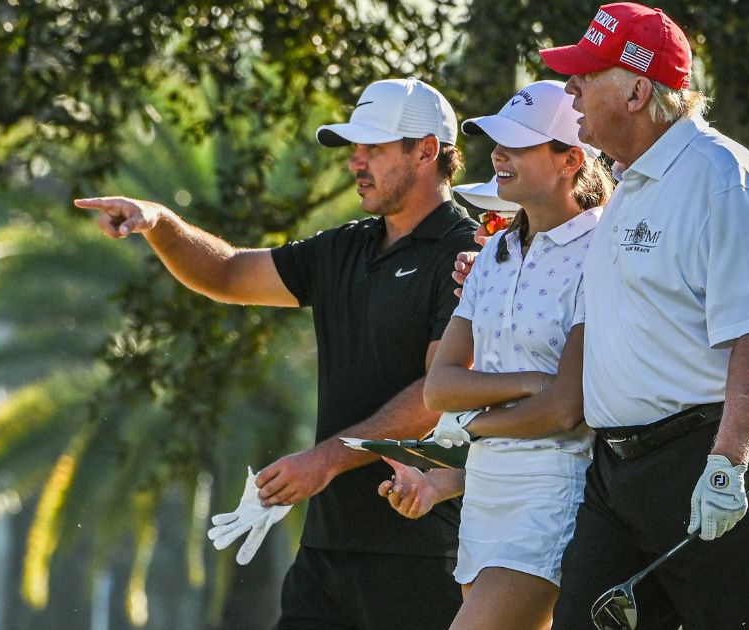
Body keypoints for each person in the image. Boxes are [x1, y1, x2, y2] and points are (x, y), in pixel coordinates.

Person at [75, 77, 476, 630]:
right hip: (327, 549)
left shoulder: (470, 252)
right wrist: (160, 222)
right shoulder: (344, 246)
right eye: (353, 150)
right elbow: (229, 272)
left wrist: (325, 460)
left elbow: (439, 391)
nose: (356, 163)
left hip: (422, 549)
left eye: (373, 149)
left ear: (427, 150)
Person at [524, 4, 749, 629]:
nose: (569, 88)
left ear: (636, 88)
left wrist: (727, 465)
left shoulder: (721, 176)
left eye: (586, 75)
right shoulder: (627, 180)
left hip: (716, 452)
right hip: (620, 474)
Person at [377, 79, 614, 630]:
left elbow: (564, 411)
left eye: (518, 144)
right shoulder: (492, 256)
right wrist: (532, 383)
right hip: (484, 495)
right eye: (496, 142)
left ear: (570, 160)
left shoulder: (601, 250)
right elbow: (440, 387)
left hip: (555, 490)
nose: (497, 154)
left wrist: (474, 424)